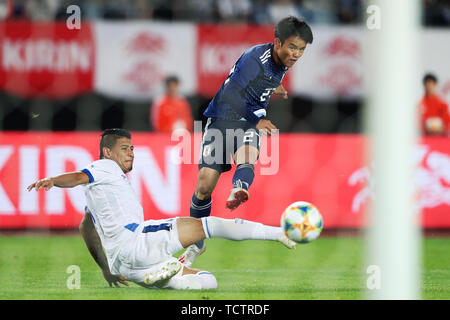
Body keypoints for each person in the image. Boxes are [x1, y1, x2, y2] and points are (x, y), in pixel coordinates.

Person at [27, 128, 296, 290]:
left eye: (132, 148)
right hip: (137, 242)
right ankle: (278, 234)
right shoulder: (103, 167)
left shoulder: (101, 191)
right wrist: (53, 181)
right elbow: (77, 177)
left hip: (127, 265)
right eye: (123, 148)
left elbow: (85, 227)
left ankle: (161, 274)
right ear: (107, 152)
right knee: (207, 225)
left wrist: (106, 268)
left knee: (208, 282)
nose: (130, 153)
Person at [179, 16, 313, 267]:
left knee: (249, 152)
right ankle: (196, 245)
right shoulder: (256, 59)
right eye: (293, 47)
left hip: (248, 122)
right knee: (204, 187)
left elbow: (258, 85)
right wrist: (258, 118)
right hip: (221, 118)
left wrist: (275, 88)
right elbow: (231, 94)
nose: (296, 54)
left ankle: (239, 188)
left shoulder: (279, 62)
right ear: (277, 43)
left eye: (302, 50)